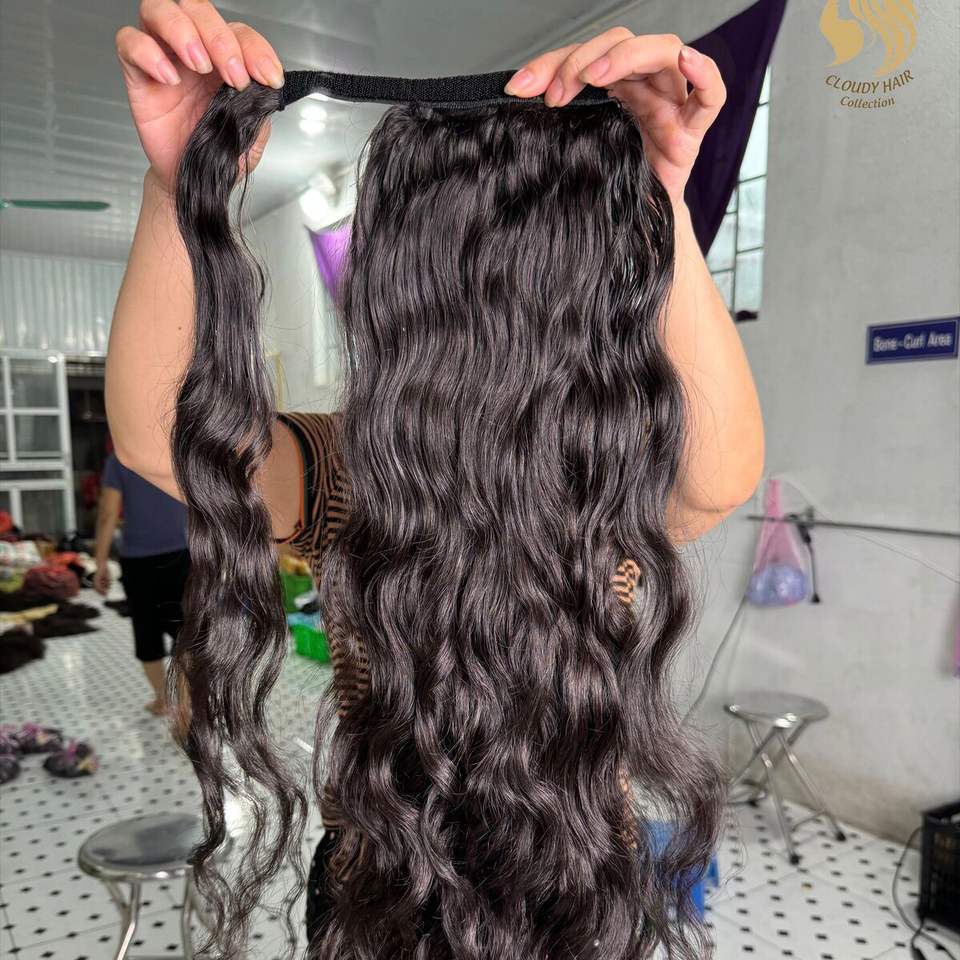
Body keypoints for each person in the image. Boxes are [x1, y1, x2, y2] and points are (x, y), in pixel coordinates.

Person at [108, 0, 764, 947]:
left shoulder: (603, 470)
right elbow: (162, 436)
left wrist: (661, 193)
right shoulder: (355, 471)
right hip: (387, 888)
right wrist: (179, 188)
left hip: (576, 883)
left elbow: (719, 478)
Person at [94, 451, 190, 715]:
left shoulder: (120, 459)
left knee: (146, 630)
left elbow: (108, 514)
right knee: (185, 631)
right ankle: (185, 703)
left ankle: (163, 699)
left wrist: (100, 562)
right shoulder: (177, 453)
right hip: (181, 554)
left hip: (138, 561)